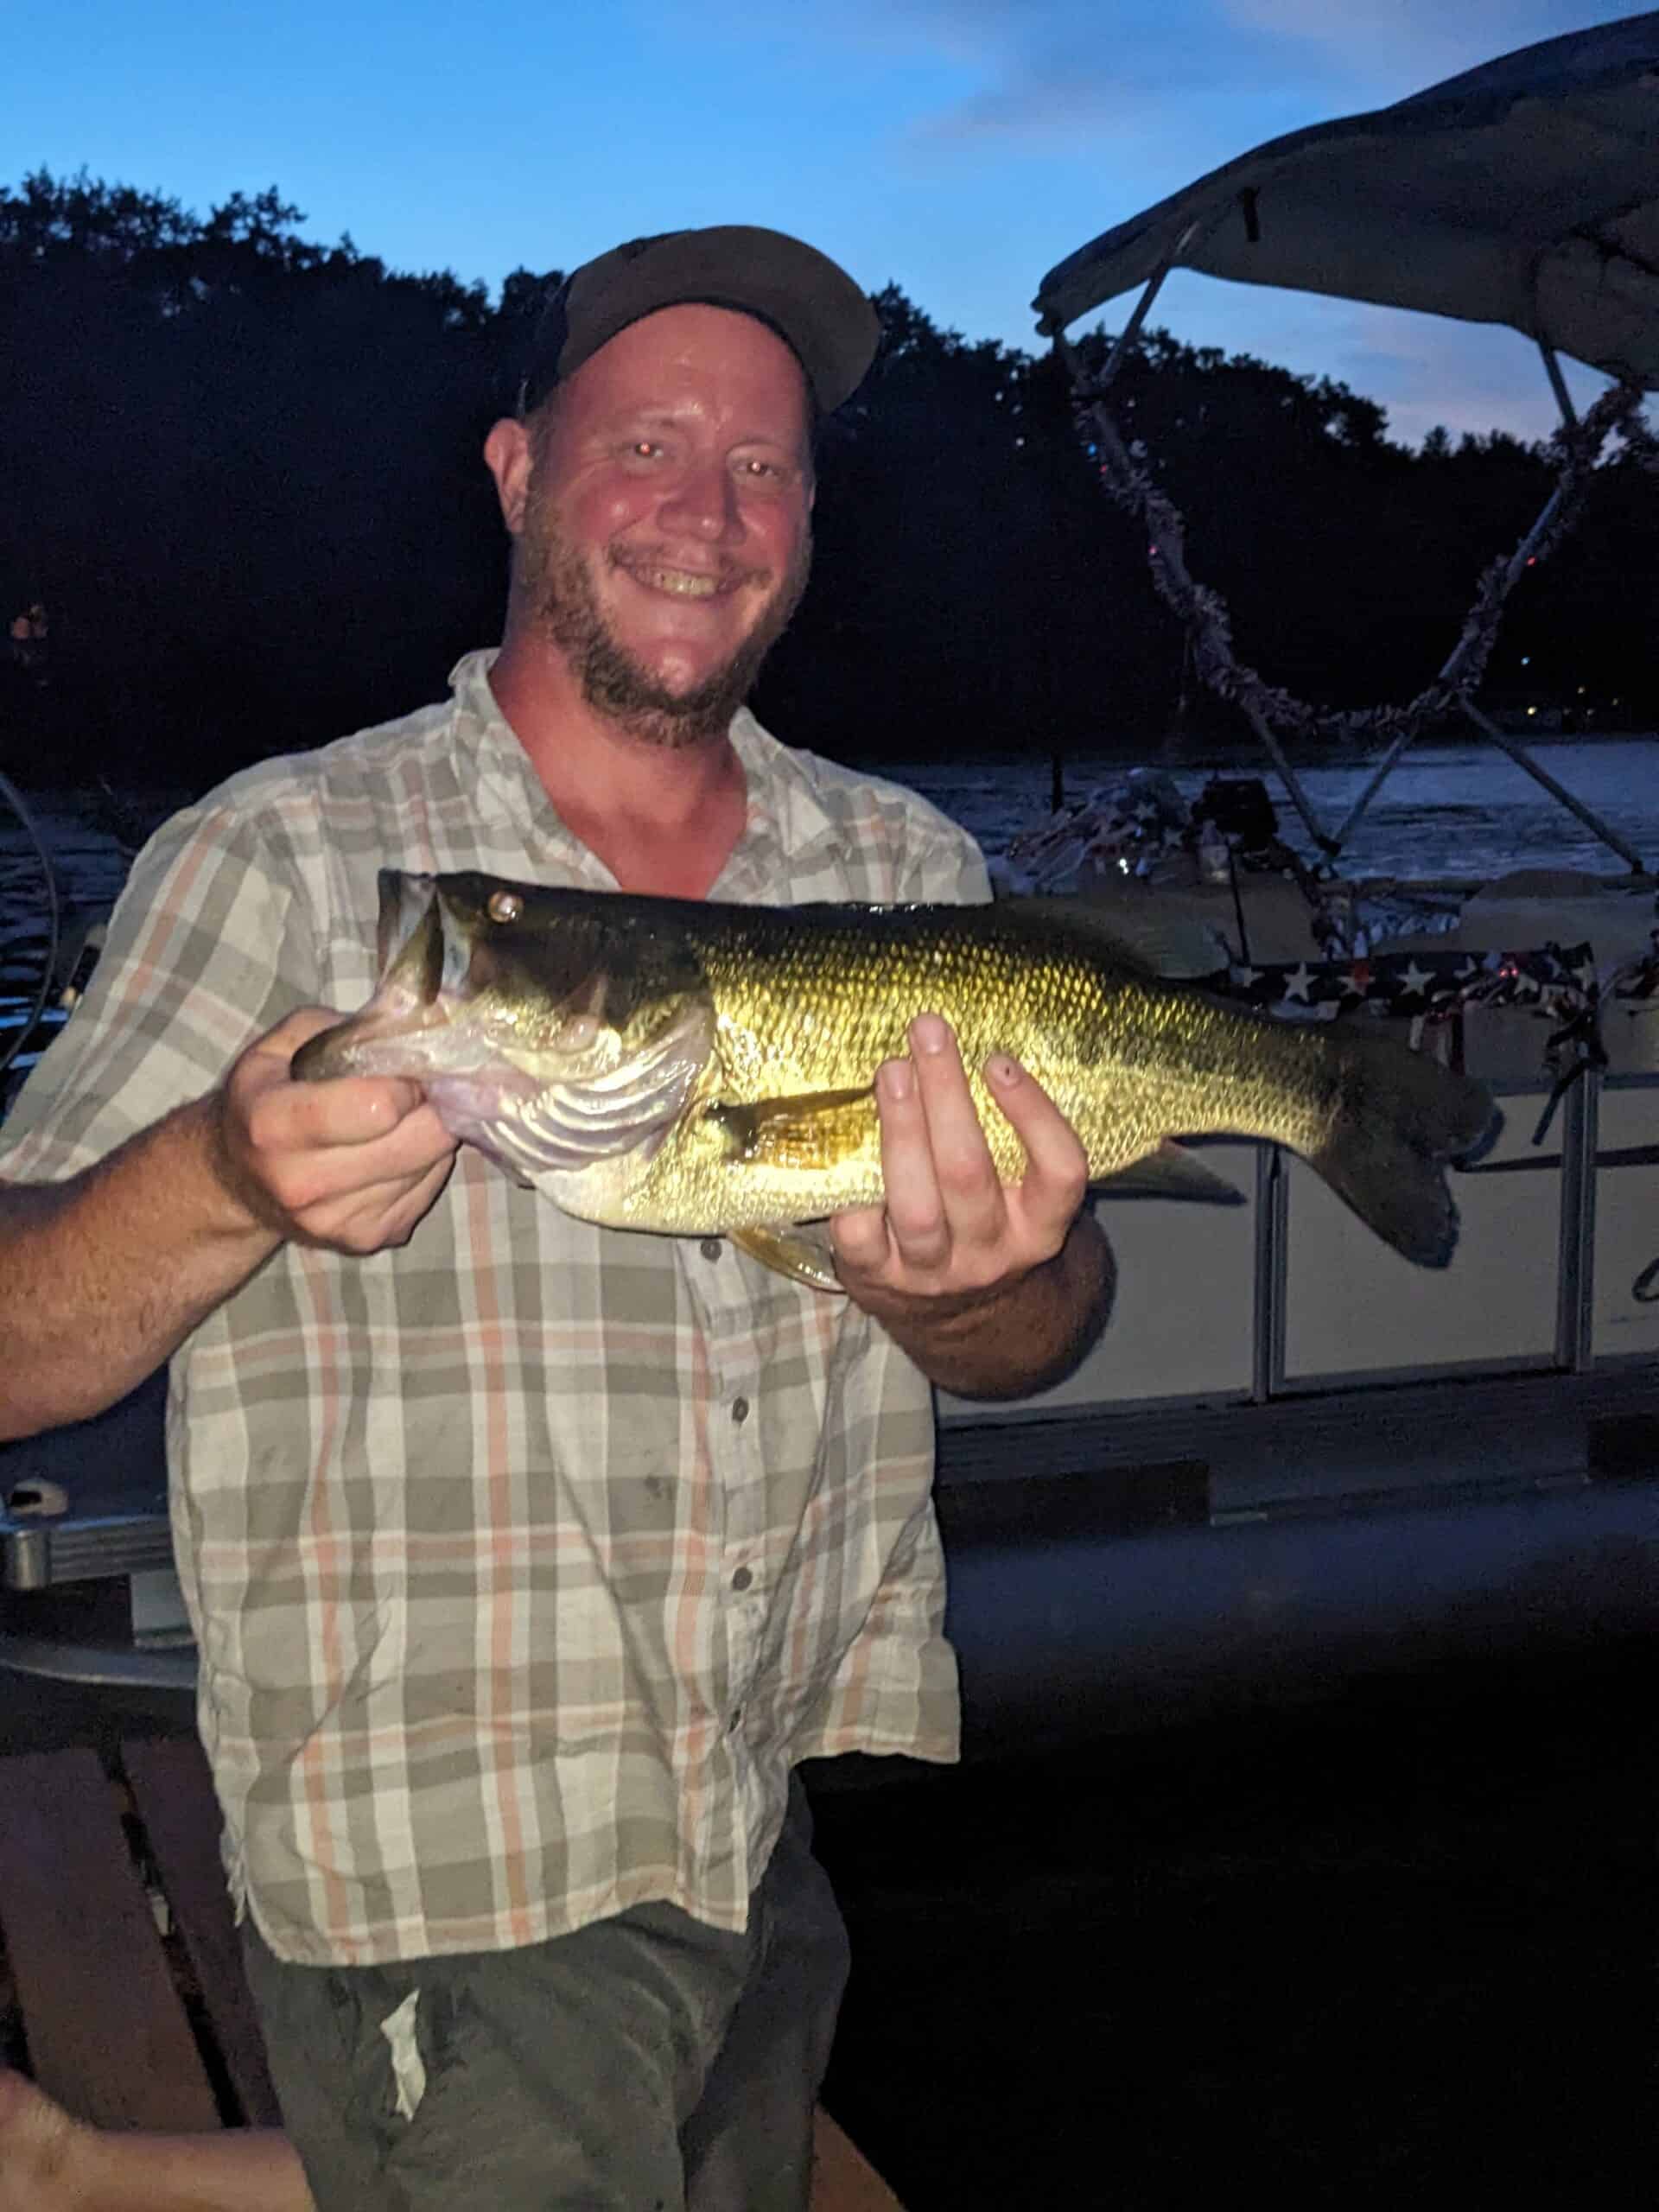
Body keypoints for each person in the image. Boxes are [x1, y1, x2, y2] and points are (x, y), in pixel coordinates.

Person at [0, 226, 1114, 2210]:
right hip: (449, 1871)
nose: (707, 512)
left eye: (763, 465)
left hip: (754, 1834)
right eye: (648, 445)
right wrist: (222, 1176)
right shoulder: (290, 858)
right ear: (518, 472)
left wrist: (980, 1296)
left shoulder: (904, 867)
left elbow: (1046, 1328)